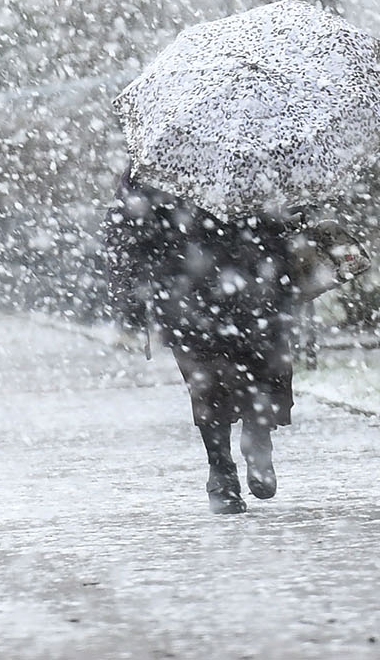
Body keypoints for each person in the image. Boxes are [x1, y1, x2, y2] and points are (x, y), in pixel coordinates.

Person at [104, 171, 303, 514]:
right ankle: (222, 469)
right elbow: (126, 234)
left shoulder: (260, 154)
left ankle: (254, 442)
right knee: (209, 385)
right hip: (191, 296)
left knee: (259, 371)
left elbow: (124, 235)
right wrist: (131, 304)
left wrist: (287, 223)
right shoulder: (151, 166)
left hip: (251, 290)